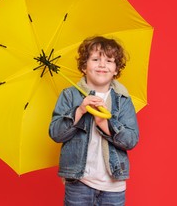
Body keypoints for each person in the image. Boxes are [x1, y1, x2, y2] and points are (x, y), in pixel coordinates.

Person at [49, 36, 139, 206]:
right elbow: (56, 133)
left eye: (109, 61)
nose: (102, 65)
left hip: (113, 186)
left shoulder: (123, 99)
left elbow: (131, 140)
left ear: (116, 69)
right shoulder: (69, 95)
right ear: (84, 66)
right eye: (96, 59)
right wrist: (80, 110)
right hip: (79, 182)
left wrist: (104, 123)